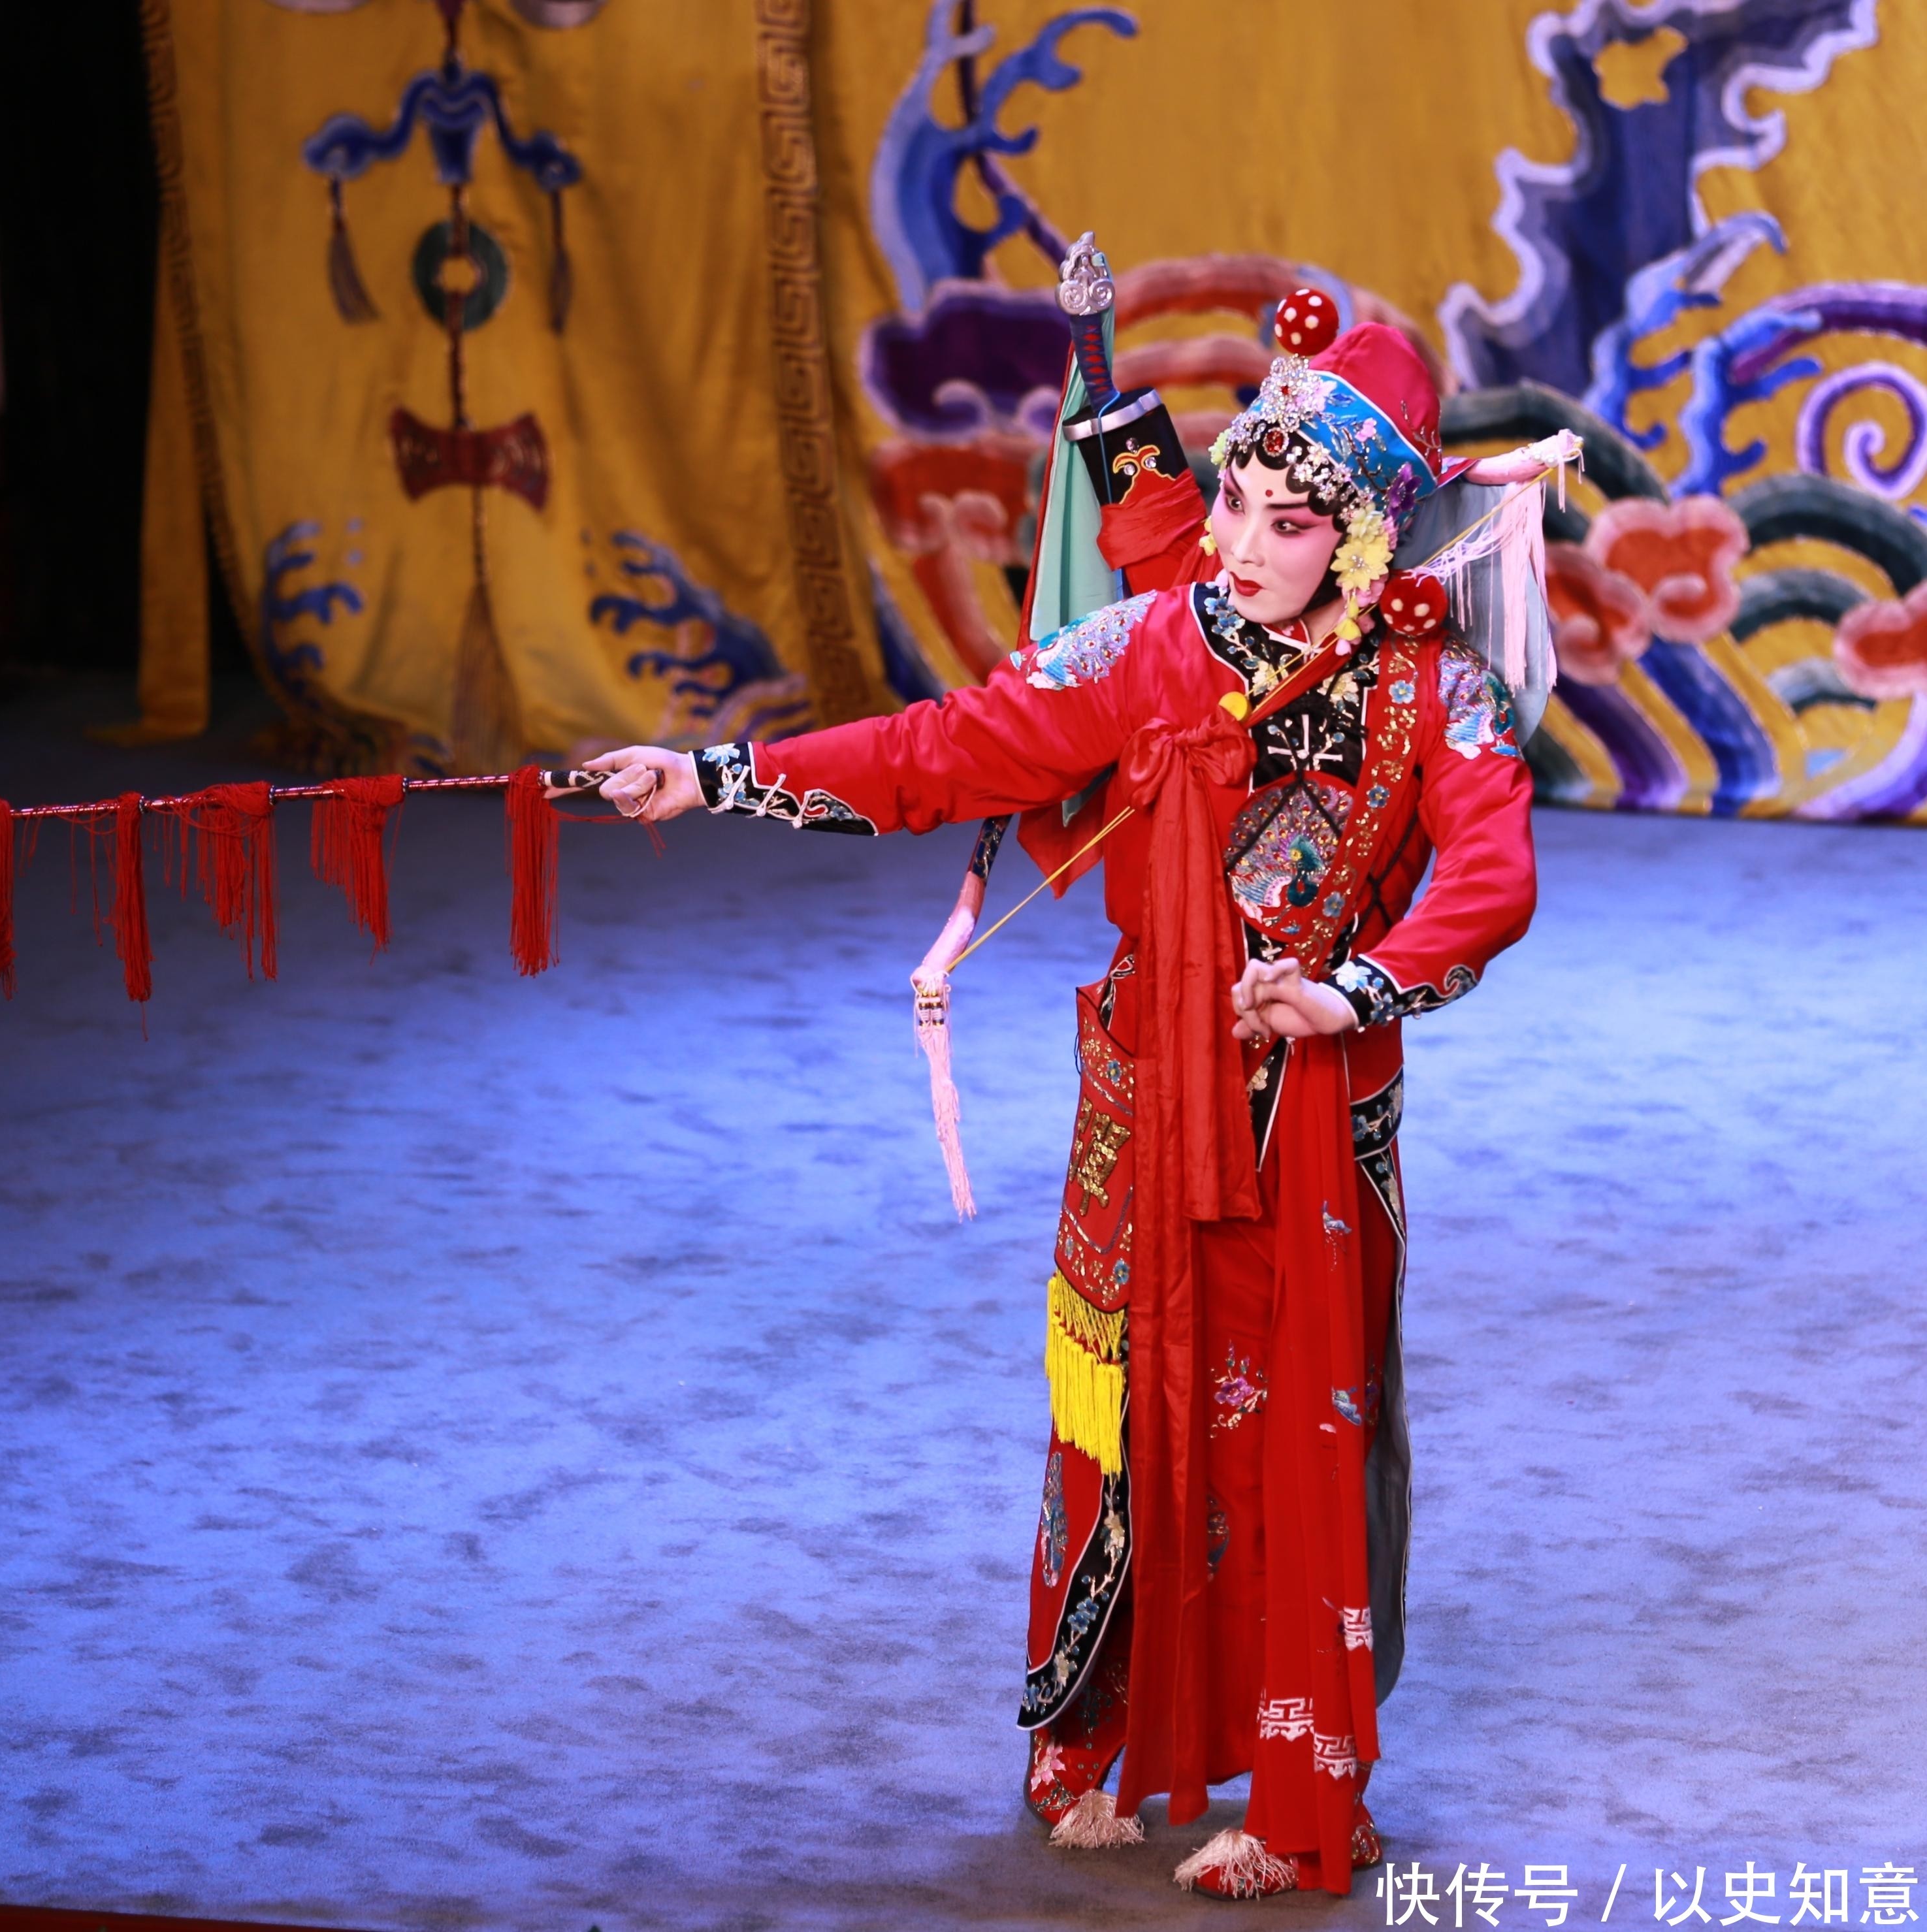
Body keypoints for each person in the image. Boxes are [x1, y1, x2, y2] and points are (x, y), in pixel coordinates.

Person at [568, 303, 1566, 1896]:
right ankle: (1082, 1740)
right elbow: (944, 751)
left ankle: (1299, 1802)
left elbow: (1489, 878)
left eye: (1289, 523)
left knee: (1294, 1435)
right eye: (1232, 500)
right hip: (1144, 1098)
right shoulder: (1150, 647)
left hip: (1312, 1114)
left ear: (1364, 538)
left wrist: (1352, 989)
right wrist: (712, 774)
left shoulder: (1428, 694)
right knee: (1112, 1413)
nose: (1240, 543)